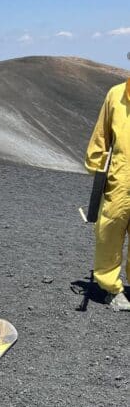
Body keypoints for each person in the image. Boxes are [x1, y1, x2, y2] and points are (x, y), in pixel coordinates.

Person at [85, 78, 130, 311]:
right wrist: (96, 164)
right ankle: (111, 289)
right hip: (119, 181)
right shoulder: (116, 95)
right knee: (109, 234)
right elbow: (102, 133)